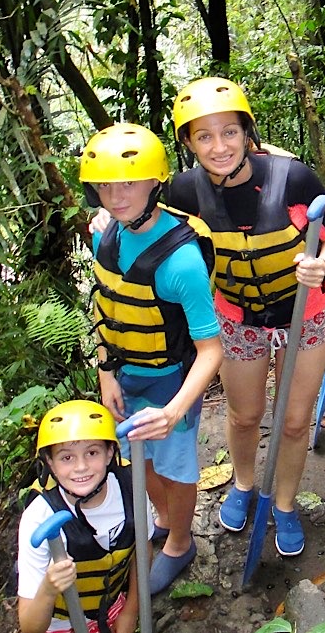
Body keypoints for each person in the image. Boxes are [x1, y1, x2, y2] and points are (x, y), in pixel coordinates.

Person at [166, 77, 325, 557]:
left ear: (247, 132)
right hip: (236, 315)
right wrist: (109, 220)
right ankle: (244, 483)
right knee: (244, 415)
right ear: (188, 143)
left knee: (293, 422)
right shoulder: (183, 191)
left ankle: (285, 503)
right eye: (203, 136)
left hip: (303, 313)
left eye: (229, 132)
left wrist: (323, 262)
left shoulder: (293, 178)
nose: (219, 146)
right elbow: (149, 224)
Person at [79, 123, 224, 594]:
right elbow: (105, 308)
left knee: (174, 469)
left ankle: (181, 544)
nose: (115, 196)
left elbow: (211, 350)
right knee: (138, 461)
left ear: (154, 182)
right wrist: (106, 373)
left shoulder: (181, 261)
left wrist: (173, 411)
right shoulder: (108, 238)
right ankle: (162, 520)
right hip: (125, 375)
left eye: (127, 182)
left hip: (170, 384)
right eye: (104, 185)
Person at [17, 400, 151, 633]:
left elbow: (143, 549)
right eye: (66, 457)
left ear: (110, 453)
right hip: (62, 623)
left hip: (114, 606)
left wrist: (131, 611)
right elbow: (29, 627)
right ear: (50, 462)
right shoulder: (39, 518)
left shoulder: (131, 486)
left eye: (92, 452)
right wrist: (49, 587)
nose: (81, 467)